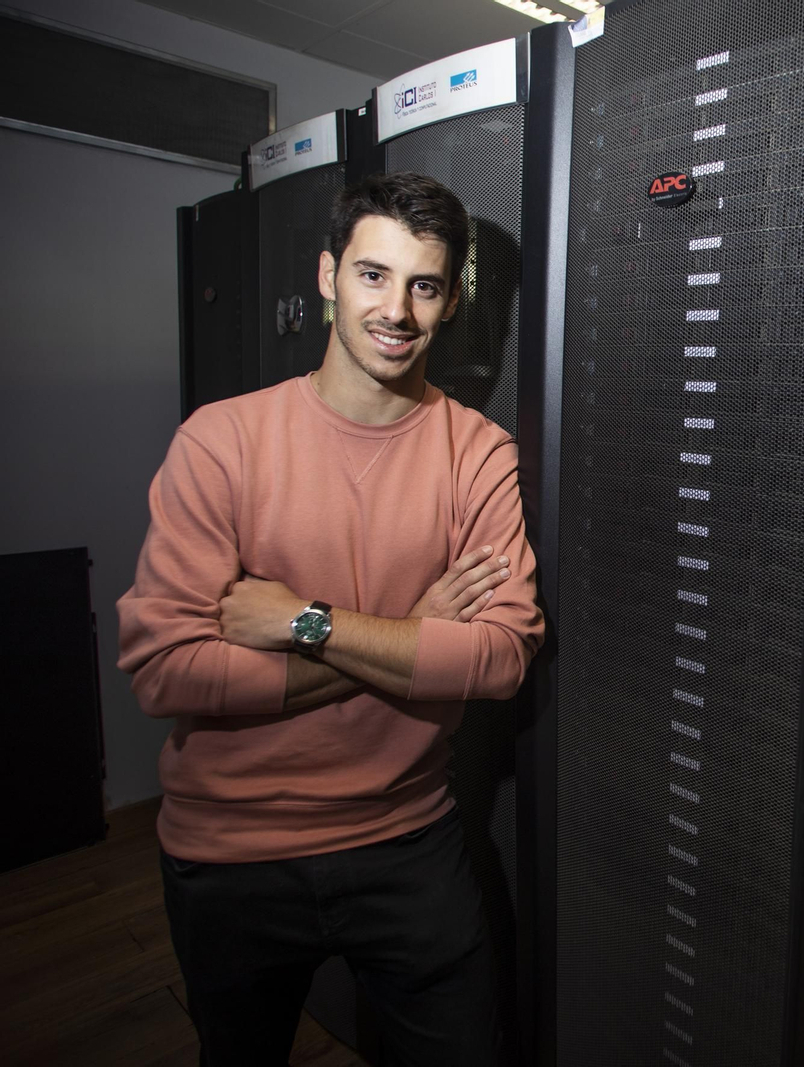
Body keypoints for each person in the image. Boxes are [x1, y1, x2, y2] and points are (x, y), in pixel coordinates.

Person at [117, 171, 543, 1066]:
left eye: (425, 285)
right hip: (232, 851)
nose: (398, 310)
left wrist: (307, 622)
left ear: (452, 298)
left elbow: (500, 658)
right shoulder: (221, 442)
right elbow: (166, 672)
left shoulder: (477, 453)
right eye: (373, 275)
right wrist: (412, 633)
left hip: (409, 836)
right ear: (327, 276)